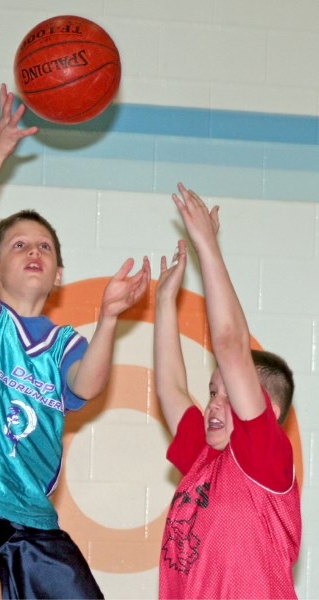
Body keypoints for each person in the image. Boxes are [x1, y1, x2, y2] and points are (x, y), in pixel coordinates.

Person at [0, 83, 151, 600]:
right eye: (18, 245)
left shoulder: (64, 342)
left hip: (33, 515)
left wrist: (109, 318)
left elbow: (86, 387)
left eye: (44, 246)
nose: (33, 251)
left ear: (60, 272)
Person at [154, 183, 301, 599]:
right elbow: (170, 389)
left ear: (265, 411)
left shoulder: (262, 459)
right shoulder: (204, 460)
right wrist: (165, 302)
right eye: (211, 390)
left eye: (227, 393)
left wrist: (207, 247)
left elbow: (232, 344)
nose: (212, 403)